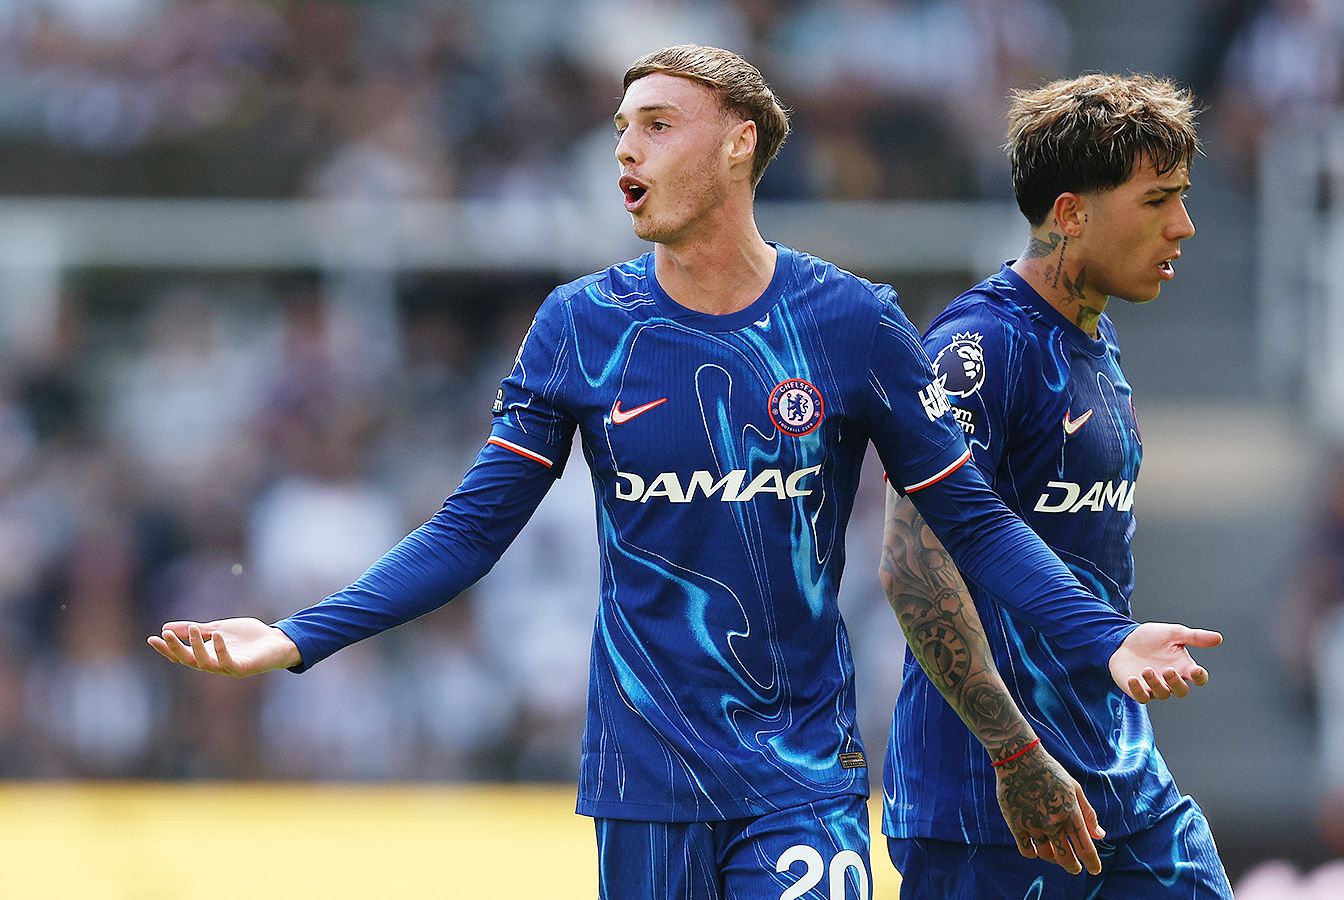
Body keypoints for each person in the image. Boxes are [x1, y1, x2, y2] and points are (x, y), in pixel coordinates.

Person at [148, 46, 1201, 897]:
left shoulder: (850, 322)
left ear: (740, 144)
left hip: (803, 778)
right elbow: (469, 531)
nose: (625, 147)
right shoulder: (580, 326)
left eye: (656, 124)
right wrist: (298, 636)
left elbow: (970, 518)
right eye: (621, 128)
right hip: (644, 781)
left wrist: (1102, 637)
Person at [879, 72, 1233, 897]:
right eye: (1158, 201)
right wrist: (1015, 754)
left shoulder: (1095, 344)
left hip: (1122, 786)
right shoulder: (977, 348)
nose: (1183, 225)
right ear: (1071, 213)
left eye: (1182, 198)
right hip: (993, 808)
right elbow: (912, 565)